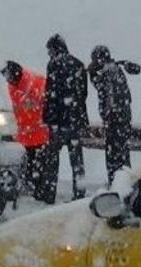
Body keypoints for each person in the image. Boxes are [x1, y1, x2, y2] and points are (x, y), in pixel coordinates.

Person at [41, 34, 88, 203]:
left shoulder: (54, 65)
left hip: (59, 122)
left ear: (54, 49)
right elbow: (83, 94)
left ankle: (49, 194)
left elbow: (51, 95)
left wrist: (49, 118)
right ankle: (79, 193)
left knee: (52, 160)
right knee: (77, 161)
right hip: (75, 120)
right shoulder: (78, 64)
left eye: (49, 50)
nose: (48, 54)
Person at [88, 45, 135, 185]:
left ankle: (117, 184)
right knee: (123, 154)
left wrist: (92, 74)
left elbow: (104, 93)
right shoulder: (117, 70)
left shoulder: (108, 73)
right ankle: (126, 182)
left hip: (114, 121)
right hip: (123, 119)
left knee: (113, 156)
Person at [1, 61, 50, 195]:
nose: (8, 81)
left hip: (39, 134)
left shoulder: (37, 83)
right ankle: (30, 185)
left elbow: (47, 105)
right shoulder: (12, 87)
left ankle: (39, 188)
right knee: (28, 165)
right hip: (24, 135)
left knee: (38, 165)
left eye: (9, 78)